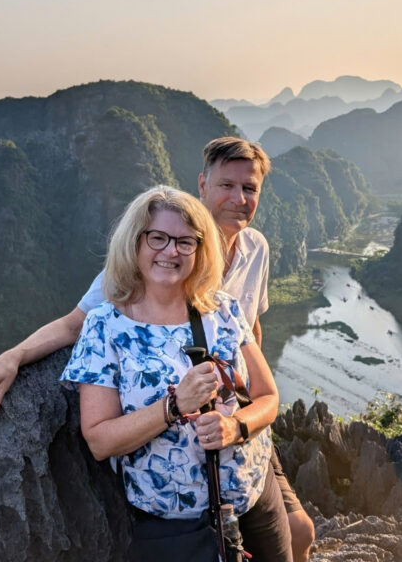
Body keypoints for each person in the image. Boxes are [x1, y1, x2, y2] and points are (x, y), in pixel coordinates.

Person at [0, 137, 316, 561]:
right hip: (179, 516)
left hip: (246, 461)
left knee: (299, 533)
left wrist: (241, 418)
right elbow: (73, 324)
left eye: (249, 189)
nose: (238, 198)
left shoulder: (246, 263)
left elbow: (255, 338)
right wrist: (9, 359)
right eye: (227, 185)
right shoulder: (120, 300)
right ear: (203, 185)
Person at [61, 185, 289, 561]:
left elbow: (268, 396)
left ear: (200, 250)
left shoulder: (223, 309)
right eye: (158, 238)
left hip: (255, 498)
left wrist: (235, 428)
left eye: (186, 241)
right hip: (173, 528)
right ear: (135, 243)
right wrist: (174, 405)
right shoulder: (106, 326)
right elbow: (100, 440)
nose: (171, 251)